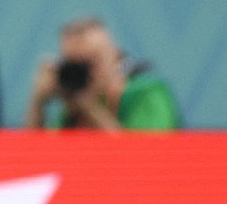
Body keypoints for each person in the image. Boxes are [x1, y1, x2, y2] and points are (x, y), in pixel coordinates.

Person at [25, 16, 181, 130]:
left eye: (90, 63)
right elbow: (34, 158)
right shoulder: (71, 109)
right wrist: (38, 102)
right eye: (74, 65)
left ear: (115, 56)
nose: (83, 73)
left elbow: (144, 157)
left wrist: (90, 108)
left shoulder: (146, 93)